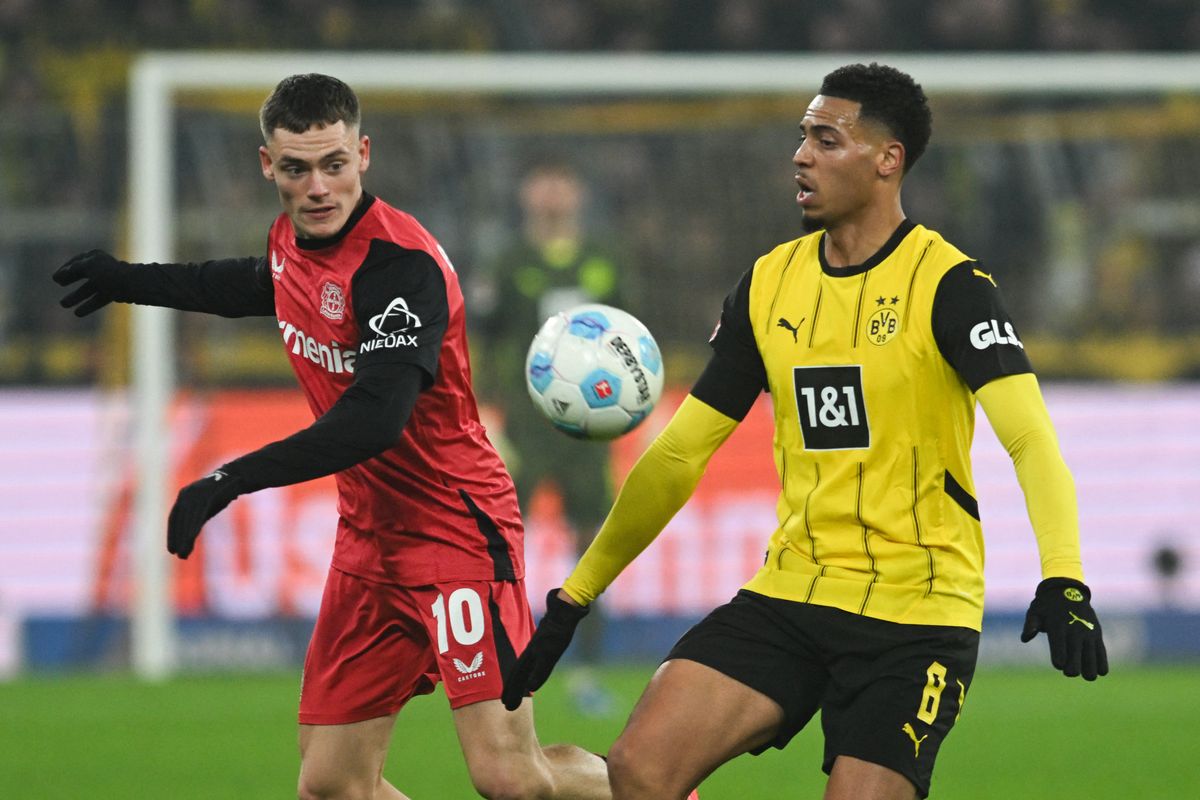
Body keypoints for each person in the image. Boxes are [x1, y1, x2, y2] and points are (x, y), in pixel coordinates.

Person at [503, 63, 1109, 800]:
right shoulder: (769, 285)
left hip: (915, 612)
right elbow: (682, 451)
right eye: (803, 137)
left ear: (887, 160)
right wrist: (576, 595)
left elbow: (1030, 439)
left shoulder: (950, 286)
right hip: (793, 590)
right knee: (639, 768)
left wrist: (1065, 575)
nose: (801, 155)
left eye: (827, 139)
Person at [53, 73, 610, 800]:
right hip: (370, 543)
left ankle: (655, 788)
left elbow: (375, 420)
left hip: (456, 532)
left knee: (509, 777)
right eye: (296, 169)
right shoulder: (293, 240)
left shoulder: (400, 268)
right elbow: (250, 283)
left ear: (363, 154)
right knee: (331, 784)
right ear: (268, 166)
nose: (317, 187)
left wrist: (231, 478)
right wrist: (129, 279)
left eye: (334, 165)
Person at [470, 160, 624, 714]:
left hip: (589, 431)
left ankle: (586, 671)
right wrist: (484, 411)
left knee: (594, 546)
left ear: (577, 192)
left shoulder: (605, 260)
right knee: (503, 545)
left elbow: (633, 343)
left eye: (562, 180)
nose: (552, 191)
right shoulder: (509, 262)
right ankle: (494, 659)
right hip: (523, 428)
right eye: (543, 180)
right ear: (526, 191)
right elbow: (479, 340)